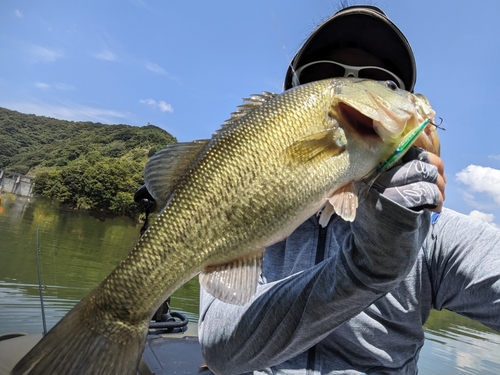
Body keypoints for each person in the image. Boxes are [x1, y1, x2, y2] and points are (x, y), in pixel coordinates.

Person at [197, 5, 500, 375]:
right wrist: (368, 268)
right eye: (321, 76)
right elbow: (220, 350)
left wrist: (399, 231)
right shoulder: (237, 213)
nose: (345, 98)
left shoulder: (434, 234)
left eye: (383, 81)